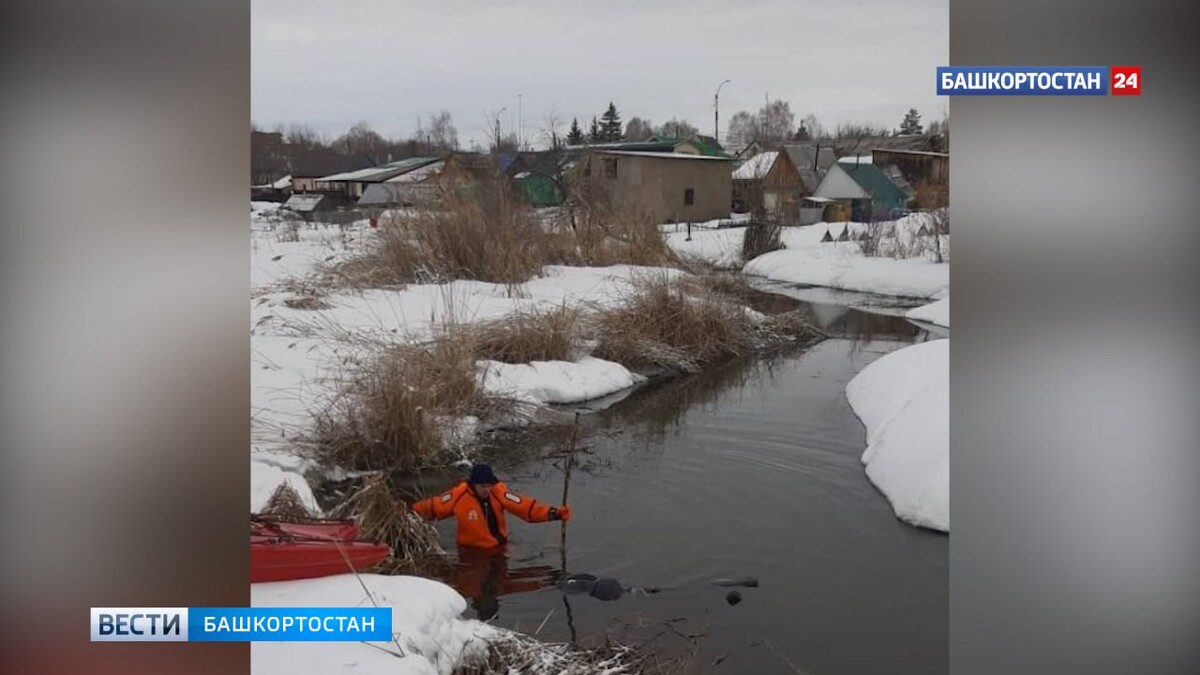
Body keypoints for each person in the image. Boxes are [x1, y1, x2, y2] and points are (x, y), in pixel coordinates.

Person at [408, 464, 571, 549]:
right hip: (469, 553)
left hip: (498, 550)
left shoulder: (500, 493)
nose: (486, 489)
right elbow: (433, 507)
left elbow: (526, 508)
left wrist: (555, 513)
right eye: (482, 486)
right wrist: (406, 512)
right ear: (473, 485)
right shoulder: (458, 496)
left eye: (489, 485)